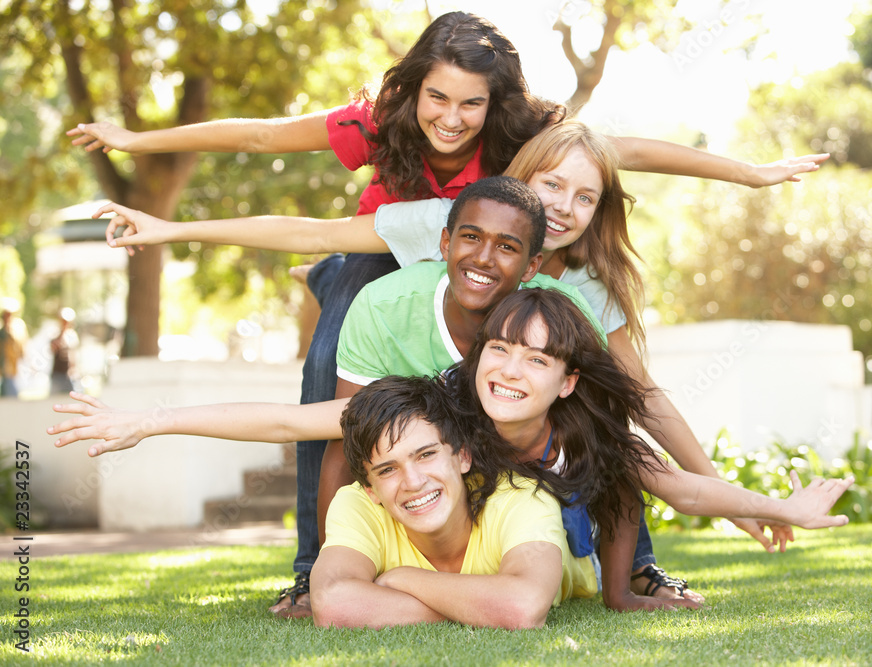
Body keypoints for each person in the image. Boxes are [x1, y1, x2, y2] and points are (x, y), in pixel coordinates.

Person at [68, 11, 828, 613]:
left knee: (596, 405)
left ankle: (634, 569)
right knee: (336, 334)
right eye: (439, 97)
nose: (453, 116)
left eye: (471, 102)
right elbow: (289, 186)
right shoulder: (401, 159)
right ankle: (310, 562)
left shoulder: (556, 245)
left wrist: (746, 173)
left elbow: (625, 157)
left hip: (477, 287)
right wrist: (159, 202)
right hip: (389, 250)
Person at [49, 289, 855, 624]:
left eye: (536, 358)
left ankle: (623, 588)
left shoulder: (584, 426)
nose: (510, 368)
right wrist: (147, 421)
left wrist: (774, 506)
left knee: (621, 481)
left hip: (559, 526)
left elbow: (679, 487)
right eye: (500, 347)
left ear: (567, 377)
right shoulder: (444, 405)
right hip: (487, 532)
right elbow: (290, 419)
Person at [312, 374, 597, 629]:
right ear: (370, 489)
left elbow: (523, 608)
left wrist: (403, 579)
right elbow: (332, 604)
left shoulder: (523, 497)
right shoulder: (358, 505)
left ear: (463, 456)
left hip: (580, 560)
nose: (413, 482)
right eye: (387, 470)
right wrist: (483, 611)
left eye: (426, 455)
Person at [50, 308, 79, 395]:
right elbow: (54, 348)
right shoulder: (55, 333)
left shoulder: (72, 335)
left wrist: (74, 368)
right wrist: (62, 332)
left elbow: (73, 354)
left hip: (69, 374)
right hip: (57, 373)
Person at [1, 308, 25, 398]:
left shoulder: (16, 331)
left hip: (14, 365)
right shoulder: (2, 332)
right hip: (4, 365)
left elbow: (19, 347)